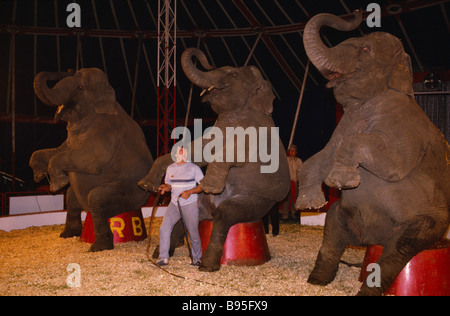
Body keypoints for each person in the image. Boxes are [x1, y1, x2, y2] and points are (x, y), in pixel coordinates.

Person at [157, 147, 204, 266]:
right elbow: (169, 185)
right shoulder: (170, 168)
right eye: (179, 150)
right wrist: (165, 188)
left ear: (187, 153)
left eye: (184, 150)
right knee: (164, 228)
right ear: (175, 153)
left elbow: (203, 186)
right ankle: (163, 258)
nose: (182, 151)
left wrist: (190, 192)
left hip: (190, 204)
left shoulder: (194, 168)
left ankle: (197, 259)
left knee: (193, 232)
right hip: (174, 204)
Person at [282, 144, 303, 221]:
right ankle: (285, 215)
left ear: (296, 152)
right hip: (287, 182)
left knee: (295, 198)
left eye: (293, 151)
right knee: (286, 199)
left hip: (295, 182)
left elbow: (301, 171)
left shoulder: (299, 161)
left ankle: (294, 213)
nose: (292, 152)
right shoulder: (286, 160)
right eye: (291, 151)